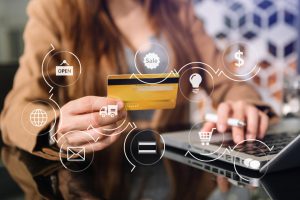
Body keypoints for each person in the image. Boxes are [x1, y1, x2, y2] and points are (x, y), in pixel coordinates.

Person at [1, 0, 274, 199]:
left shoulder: (178, 8)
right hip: (94, 177)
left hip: (181, 176)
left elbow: (227, 81)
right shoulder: (56, 9)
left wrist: (245, 106)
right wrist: (55, 127)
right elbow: (17, 108)